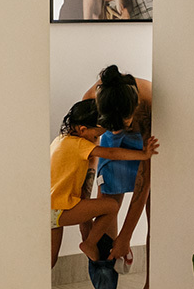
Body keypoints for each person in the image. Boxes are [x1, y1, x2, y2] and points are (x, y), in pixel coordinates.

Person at [51, 98, 158, 279]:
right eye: (95, 136)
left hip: (49, 209)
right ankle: (90, 244)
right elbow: (111, 153)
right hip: (61, 208)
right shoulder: (80, 145)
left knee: (50, 260)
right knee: (111, 206)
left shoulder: (60, 140)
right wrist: (143, 154)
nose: (96, 141)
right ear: (82, 130)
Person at [76, 65, 153, 289]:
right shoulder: (91, 99)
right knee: (105, 208)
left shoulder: (150, 103)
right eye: (110, 126)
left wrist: (126, 236)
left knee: (156, 213)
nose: (116, 130)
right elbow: (87, 157)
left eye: (122, 124)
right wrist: (83, 215)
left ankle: (152, 287)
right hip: (112, 147)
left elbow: (144, 182)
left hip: (145, 144)